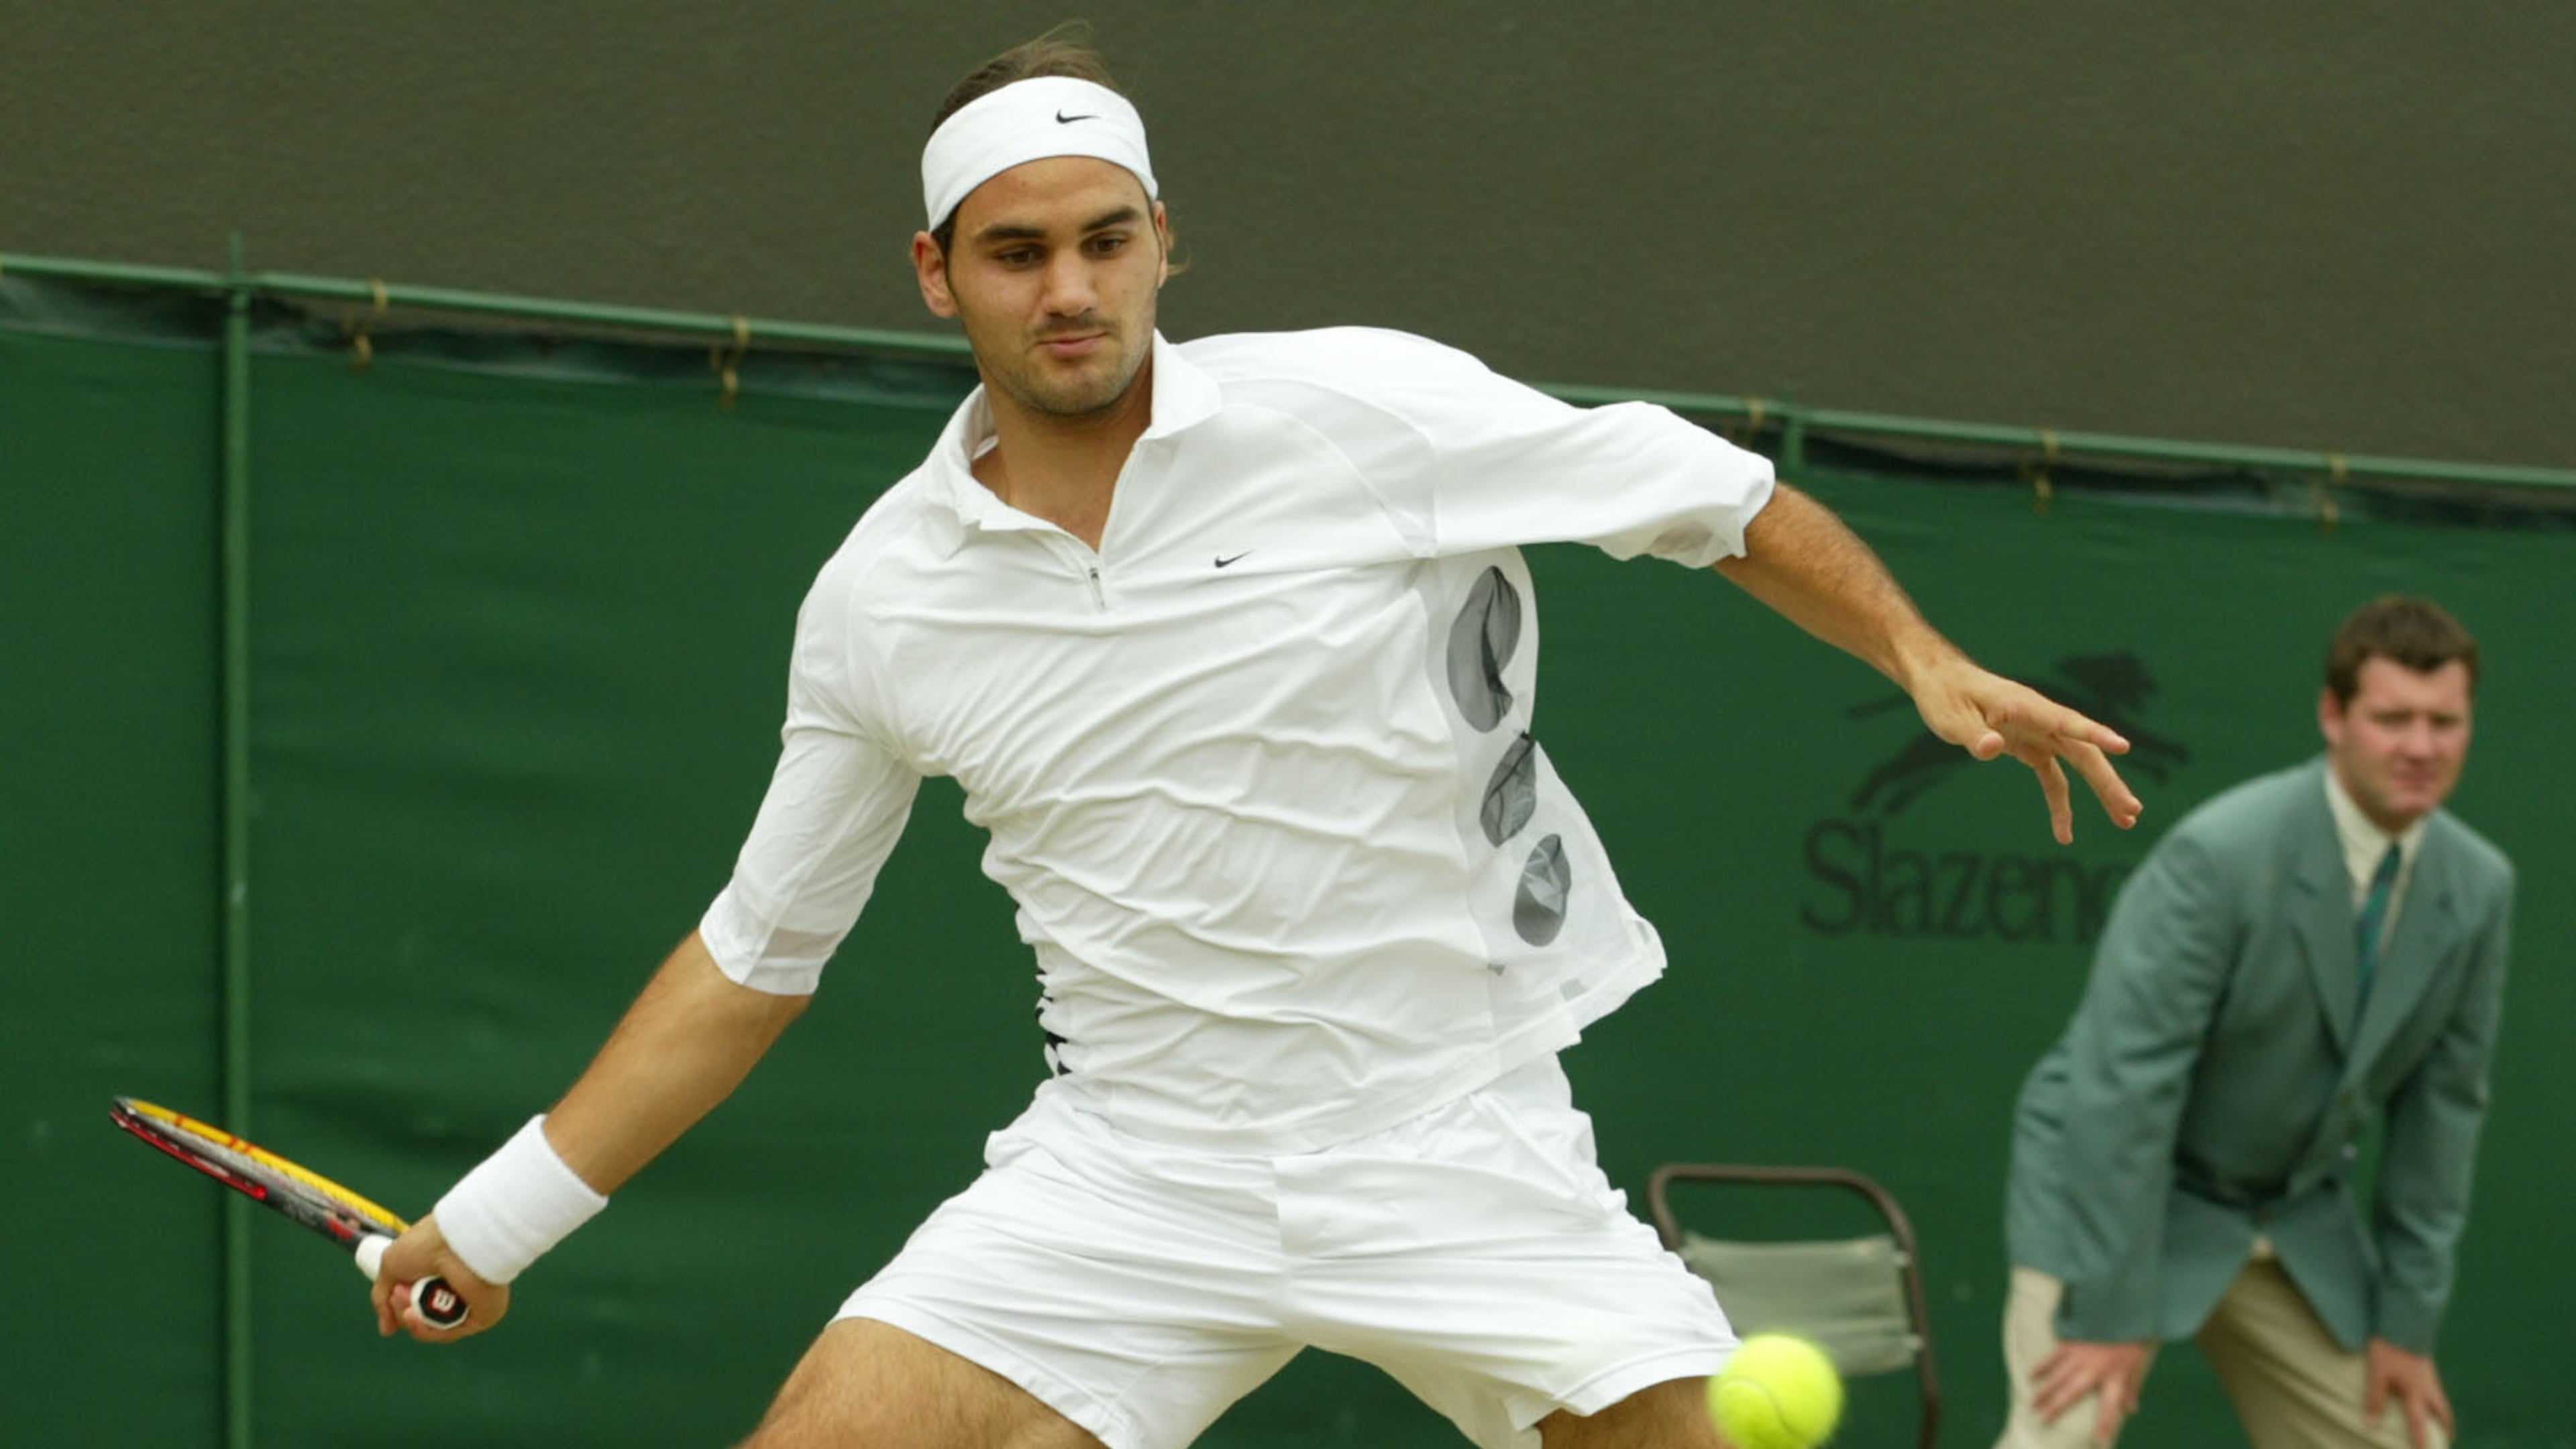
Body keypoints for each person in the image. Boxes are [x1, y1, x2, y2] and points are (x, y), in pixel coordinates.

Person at [373, 35, 2141, 1449]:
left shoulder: (1364, 409)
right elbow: (757, 957)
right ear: (935, 275)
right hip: (1128, 1175)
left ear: (1162, 240)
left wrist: (1917, 652)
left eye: (1105, 240)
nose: (1070, 288)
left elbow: (1714, 497)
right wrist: (499, 1221)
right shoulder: (882, 602)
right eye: (1016, 251)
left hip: (1455, 1140)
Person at [1996, 597, 2512, 1449]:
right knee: (2067, 1428)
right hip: (2111, 1194)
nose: (2421, 747)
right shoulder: (2221, 855)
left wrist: (2406, 1330)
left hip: (2286, 1220)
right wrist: (2113, 1313)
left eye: (2443, 722)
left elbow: (2442, 1122)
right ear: (2334, 716)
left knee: (2401, 1436)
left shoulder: (2479, 887)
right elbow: (2125, 1089)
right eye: (2393, 719)